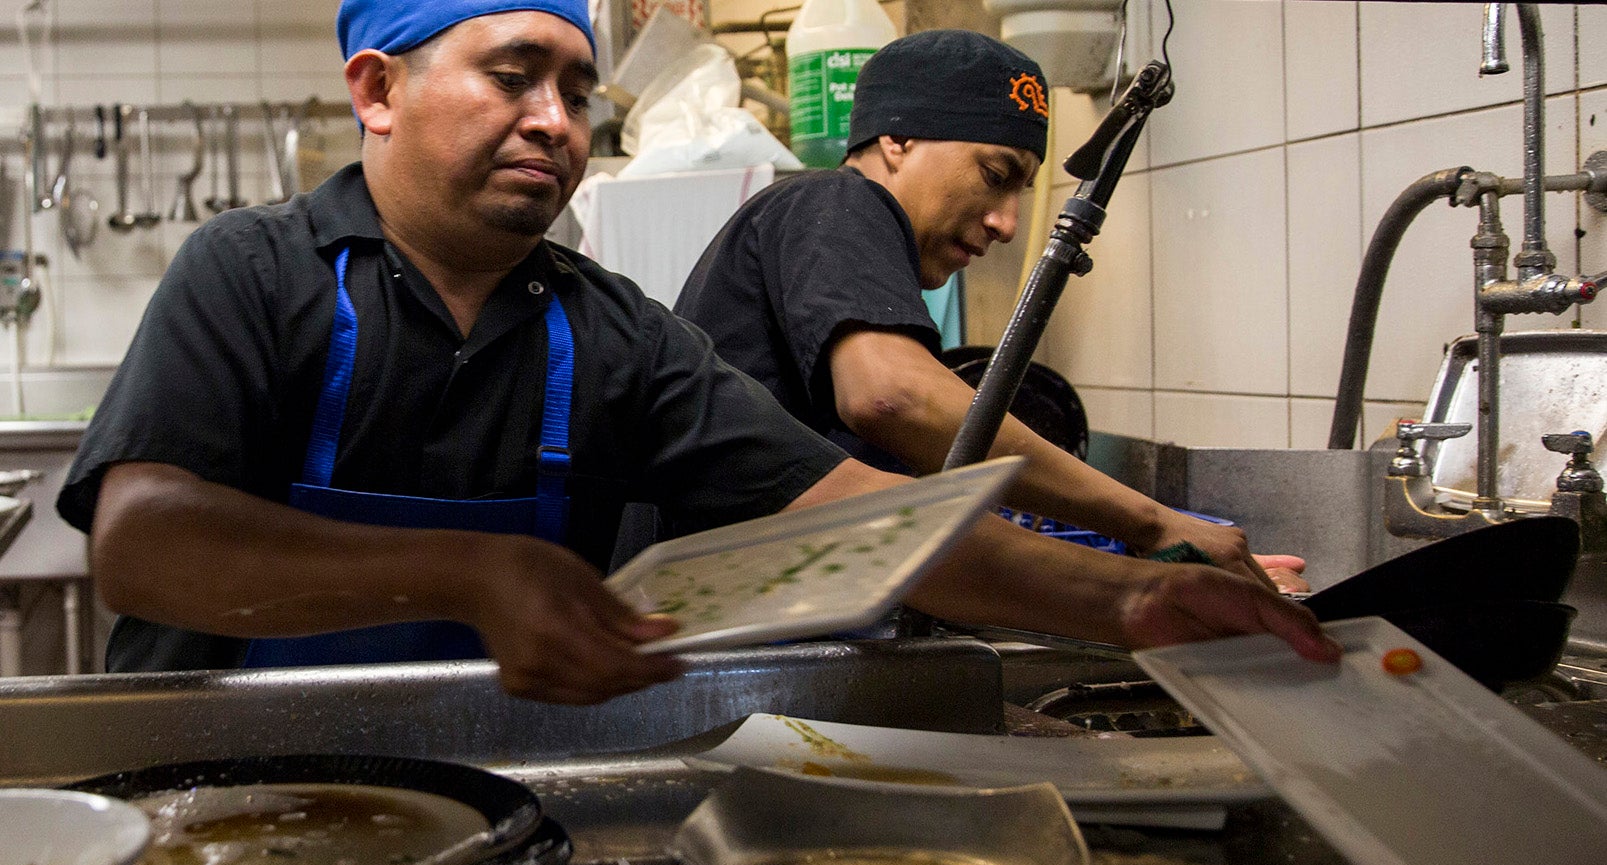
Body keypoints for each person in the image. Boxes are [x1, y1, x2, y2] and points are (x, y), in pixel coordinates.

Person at [56, 0, 1338, 704]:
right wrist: (472, 575)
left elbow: (864, 518)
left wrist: (1126, 599)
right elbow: (145, 543)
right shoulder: (253, 270)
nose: (554, 122)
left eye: (576, 89)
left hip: (505, 793)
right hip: (227, 794)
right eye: (511, 75)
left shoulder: (606, 329)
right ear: (378, 92)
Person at [676, 29, 1307, 593]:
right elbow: (894, 399)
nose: (1007, 223)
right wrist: (1155, 523)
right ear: (897, 140)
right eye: (995, 174)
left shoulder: (828, 233)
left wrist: (1153, 581)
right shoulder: (831, 201)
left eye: (1019, 192)